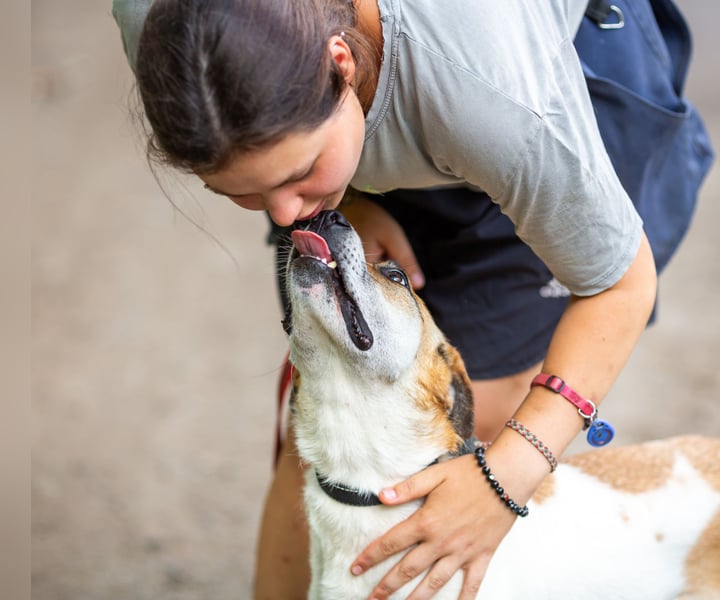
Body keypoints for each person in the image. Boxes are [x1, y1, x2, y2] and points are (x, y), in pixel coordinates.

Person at [112, 0, 665, 598]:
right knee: (339, 424)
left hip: (515, 92)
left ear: (342, 64)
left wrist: (505, 479)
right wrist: (345, 200)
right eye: (243, 192)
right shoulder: (167, 32)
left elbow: (620, 283)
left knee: (476, 410)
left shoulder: (503, 102)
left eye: (300, 174)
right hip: (395, 114)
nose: (286, 215)